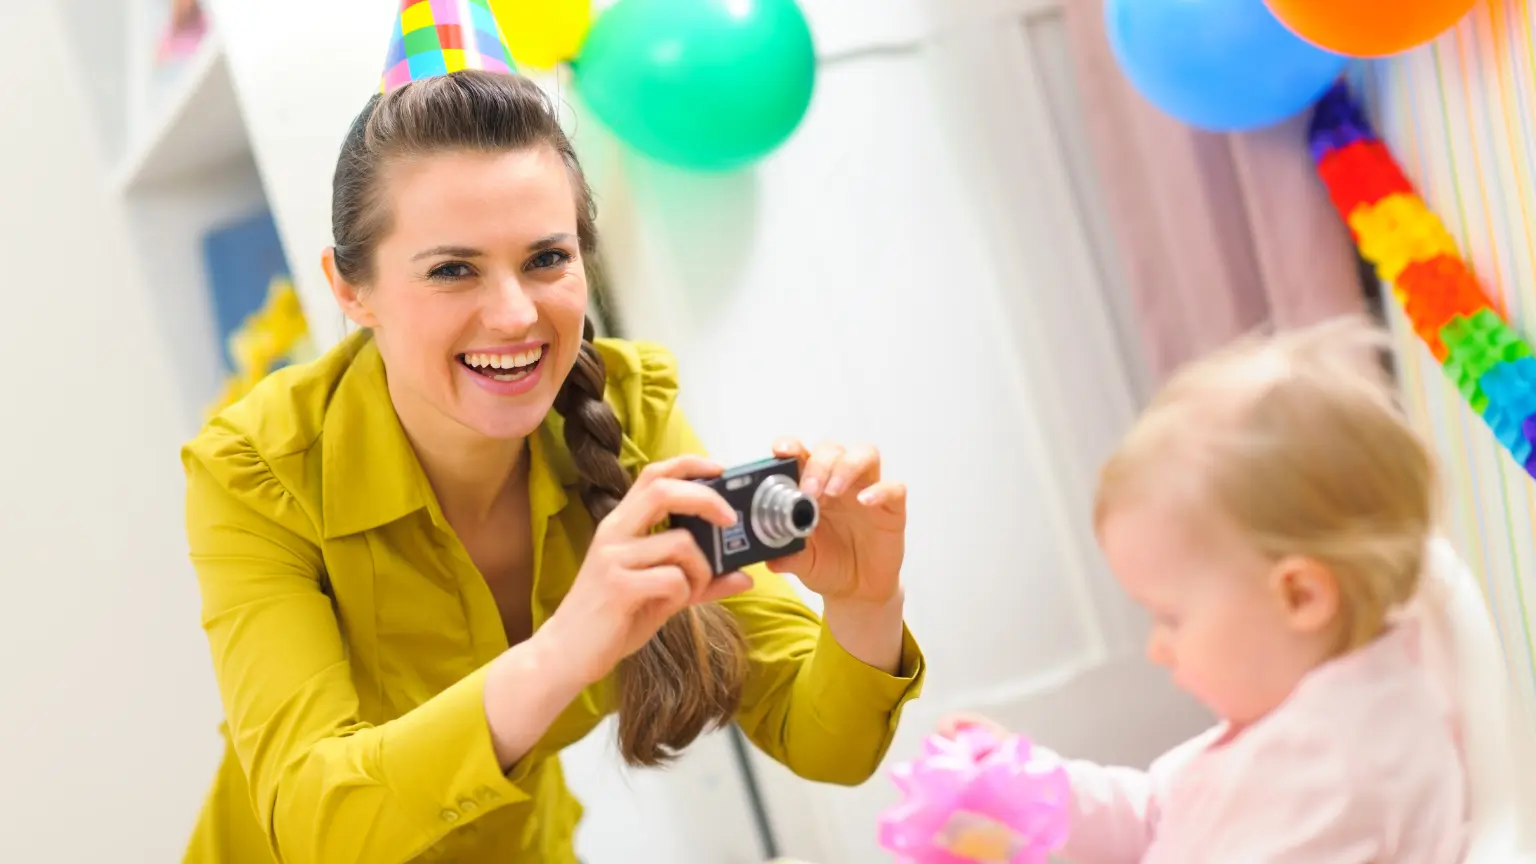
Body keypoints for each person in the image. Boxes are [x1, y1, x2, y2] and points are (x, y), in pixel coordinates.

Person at [179, 9, 923, 863]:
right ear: (352, 289)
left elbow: (823, 741)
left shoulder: (627, 412)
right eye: (452, 268)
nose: (516, 314)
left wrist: (865, 604)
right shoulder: (256, 470)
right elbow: (318, 821)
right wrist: (568, 646)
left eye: (546, 259)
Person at [942, 317, 1467, 862]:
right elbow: (1158, 817)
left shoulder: (1336, 779)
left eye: (1171, 618)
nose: (1157, 647)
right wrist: (1038, 793)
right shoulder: (1286, 720)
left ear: (1301, 597)